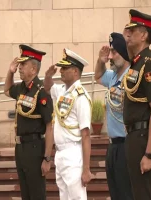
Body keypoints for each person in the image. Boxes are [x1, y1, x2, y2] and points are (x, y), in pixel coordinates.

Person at [4, 44, 54, 200]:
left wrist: (47, 158)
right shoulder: (22, 88)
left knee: (36, 193)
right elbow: (7, 90)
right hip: (21, 148)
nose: (19, 67)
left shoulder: (41, 92)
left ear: (33, 69)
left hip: (35, 148)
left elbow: (49, 127)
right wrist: (10, 72)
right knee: (25, 193)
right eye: (19, 64)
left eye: (23, 64)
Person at [123, 9, 151, 200]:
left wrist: (149, 153)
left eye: (134, 30)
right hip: (132, 136)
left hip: (143, 137)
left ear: (144, 35)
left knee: (144, 195)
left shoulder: (149, 63)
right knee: (135, 194)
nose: (128, 34)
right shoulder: (136, 63)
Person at [43, 48, 92, 200]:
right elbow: (47, 87)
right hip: (60, 153)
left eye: (65, 68)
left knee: (77, 197)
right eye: (61, 68)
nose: (62, 71)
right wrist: (47, 75)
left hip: (73, 153)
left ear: (76, 71)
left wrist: (86, 169)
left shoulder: (81, 96)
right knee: (64, 196)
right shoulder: (62, 90)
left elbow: (86, 135)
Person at [94, 32, 133, 200]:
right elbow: (97, 76)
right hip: (113, 145)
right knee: (115, 193)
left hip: (126, 143)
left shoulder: (131, 76)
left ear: (124, 53)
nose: (110, 56)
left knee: (126, 193)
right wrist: (99, 61)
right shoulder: (113, 76)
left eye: (114, 52)